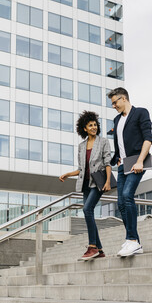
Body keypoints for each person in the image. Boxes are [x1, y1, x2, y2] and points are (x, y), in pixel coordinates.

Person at [59, 111, 112, 261]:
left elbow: (107, 163)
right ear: (84, 128)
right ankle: (100, 250)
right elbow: (81, 169)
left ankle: (92, 246)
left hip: (98, 183)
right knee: (89, 213)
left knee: (87, 209)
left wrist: (108, 181)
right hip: (85, 184)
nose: (94, 127)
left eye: (95, 125)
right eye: (90, 125)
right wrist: (68, 174)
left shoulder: (103, 142)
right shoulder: (81, 146)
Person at [108, 88, 152, 257]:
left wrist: (140, 160)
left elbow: (148, 138)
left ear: (124, 98)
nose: (113, 106)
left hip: (137, 162)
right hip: (122, 165)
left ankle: (133, 240)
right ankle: (133, 241)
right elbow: (119, 143)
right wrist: (116, 159)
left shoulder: (141, 113)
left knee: (127, 195)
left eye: (115, 102)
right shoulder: (116, 120)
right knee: (120, 203)